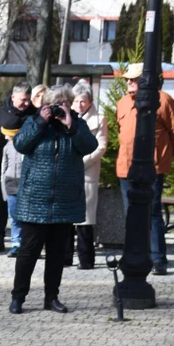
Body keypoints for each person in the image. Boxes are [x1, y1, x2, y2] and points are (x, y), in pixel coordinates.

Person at [9, 85, 99, 314]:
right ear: (46, 104)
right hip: (34, 199)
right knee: (28, 253)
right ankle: (18, 297)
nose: (61, 108)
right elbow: (20, 144)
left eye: (65, 103)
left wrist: (71, 125)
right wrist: (41, 122)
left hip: (64, 199)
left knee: (57, 254)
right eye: (55, 104)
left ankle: (52, 297)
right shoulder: (34, 121)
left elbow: (90, 146)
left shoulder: (77, 124)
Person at [115, 63, 174, 276]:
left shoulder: (163, 100)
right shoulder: (122, 103)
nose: (129, 82)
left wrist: (163, 155)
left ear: (146, 80)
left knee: (152, 213)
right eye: (128, 79)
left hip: (152, 168)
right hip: (126, 168)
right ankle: (133, 255)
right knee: (130, 214)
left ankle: (158, 259)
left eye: (134, 79)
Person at [0, 82, 34, 253]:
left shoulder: (33, 114)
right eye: (23, 100)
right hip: (6, 166)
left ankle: (24, 242)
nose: (26, 103)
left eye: (28, 100)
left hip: (29, 167)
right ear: (13, 97)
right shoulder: (1, 114)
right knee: (4, 203)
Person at [72, 83, 108, 269]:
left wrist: (81, 162)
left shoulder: (99, 119)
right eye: (76, 101)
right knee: (66, 219)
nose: (79, 105)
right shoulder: (67, 117)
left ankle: (86, 260)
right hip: (68, 173)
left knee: (86, 220)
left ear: (90, 102)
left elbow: (101, 147)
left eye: (83, 101)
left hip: (87, 172)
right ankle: (64, 257)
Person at [0, 125, 24, 257]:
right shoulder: (7, 146)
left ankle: (26, 243)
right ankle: (16, 243)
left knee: (24, 216)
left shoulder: (24, 145)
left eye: (6, 133)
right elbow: (4, 167)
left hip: (23, 184)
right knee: (13, 216)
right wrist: (4, 189)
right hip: (10, 184)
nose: (4, 136)